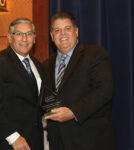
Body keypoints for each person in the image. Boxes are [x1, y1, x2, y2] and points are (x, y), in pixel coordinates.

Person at [43, 11, 117, 150]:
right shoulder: (45, 65)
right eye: (57, 30)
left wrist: (73, 112)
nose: (62, 33)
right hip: (58, 141)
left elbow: (104, 91)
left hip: (91, 140)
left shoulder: (96, 54)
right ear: (52, 36)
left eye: (67, 28)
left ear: (76, 32)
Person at [0, 18, 44, 150]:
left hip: (34, 141)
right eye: (19, 34)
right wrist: (13, 137)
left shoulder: (37, 64)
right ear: (9, 38)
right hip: (8, 143)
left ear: (34, 39)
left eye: (29, 34)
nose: (24, 38)